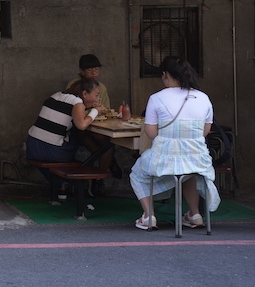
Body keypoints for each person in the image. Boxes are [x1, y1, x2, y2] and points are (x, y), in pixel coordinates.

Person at [129, 56, 221, 230]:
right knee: (188, 172)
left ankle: (149, 216)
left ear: (165, 75)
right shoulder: (203, 98)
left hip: (164, 159)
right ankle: (195, 214)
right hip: (198, 160)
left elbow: (151, 133)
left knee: (136, 174)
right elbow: (205, 131)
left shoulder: (156, 98)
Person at [25, 77, 106, 199]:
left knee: (68, 135)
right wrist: (94, 111)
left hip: (32, 147)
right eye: (96, 95)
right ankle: (67, 181)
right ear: (84, 93)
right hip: (51, 151)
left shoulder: (57, 95)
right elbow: (82, 125)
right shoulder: (77, 103)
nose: (97, 99)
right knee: (78, 136)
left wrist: (88, 108)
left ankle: (60, 185)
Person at [65, 54, 129, 182]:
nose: (94, 72)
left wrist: (100, 111)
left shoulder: (101, 87)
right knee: (103, 145)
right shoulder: (74, 85)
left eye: (97, 69)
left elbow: (105, 109)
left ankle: (98, 180)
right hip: (77, 126)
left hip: (95, 125)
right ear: (81, 71)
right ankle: (103, 172)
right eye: (90, 69)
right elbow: (73, 110)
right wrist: (92, 110)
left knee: (103, 141)